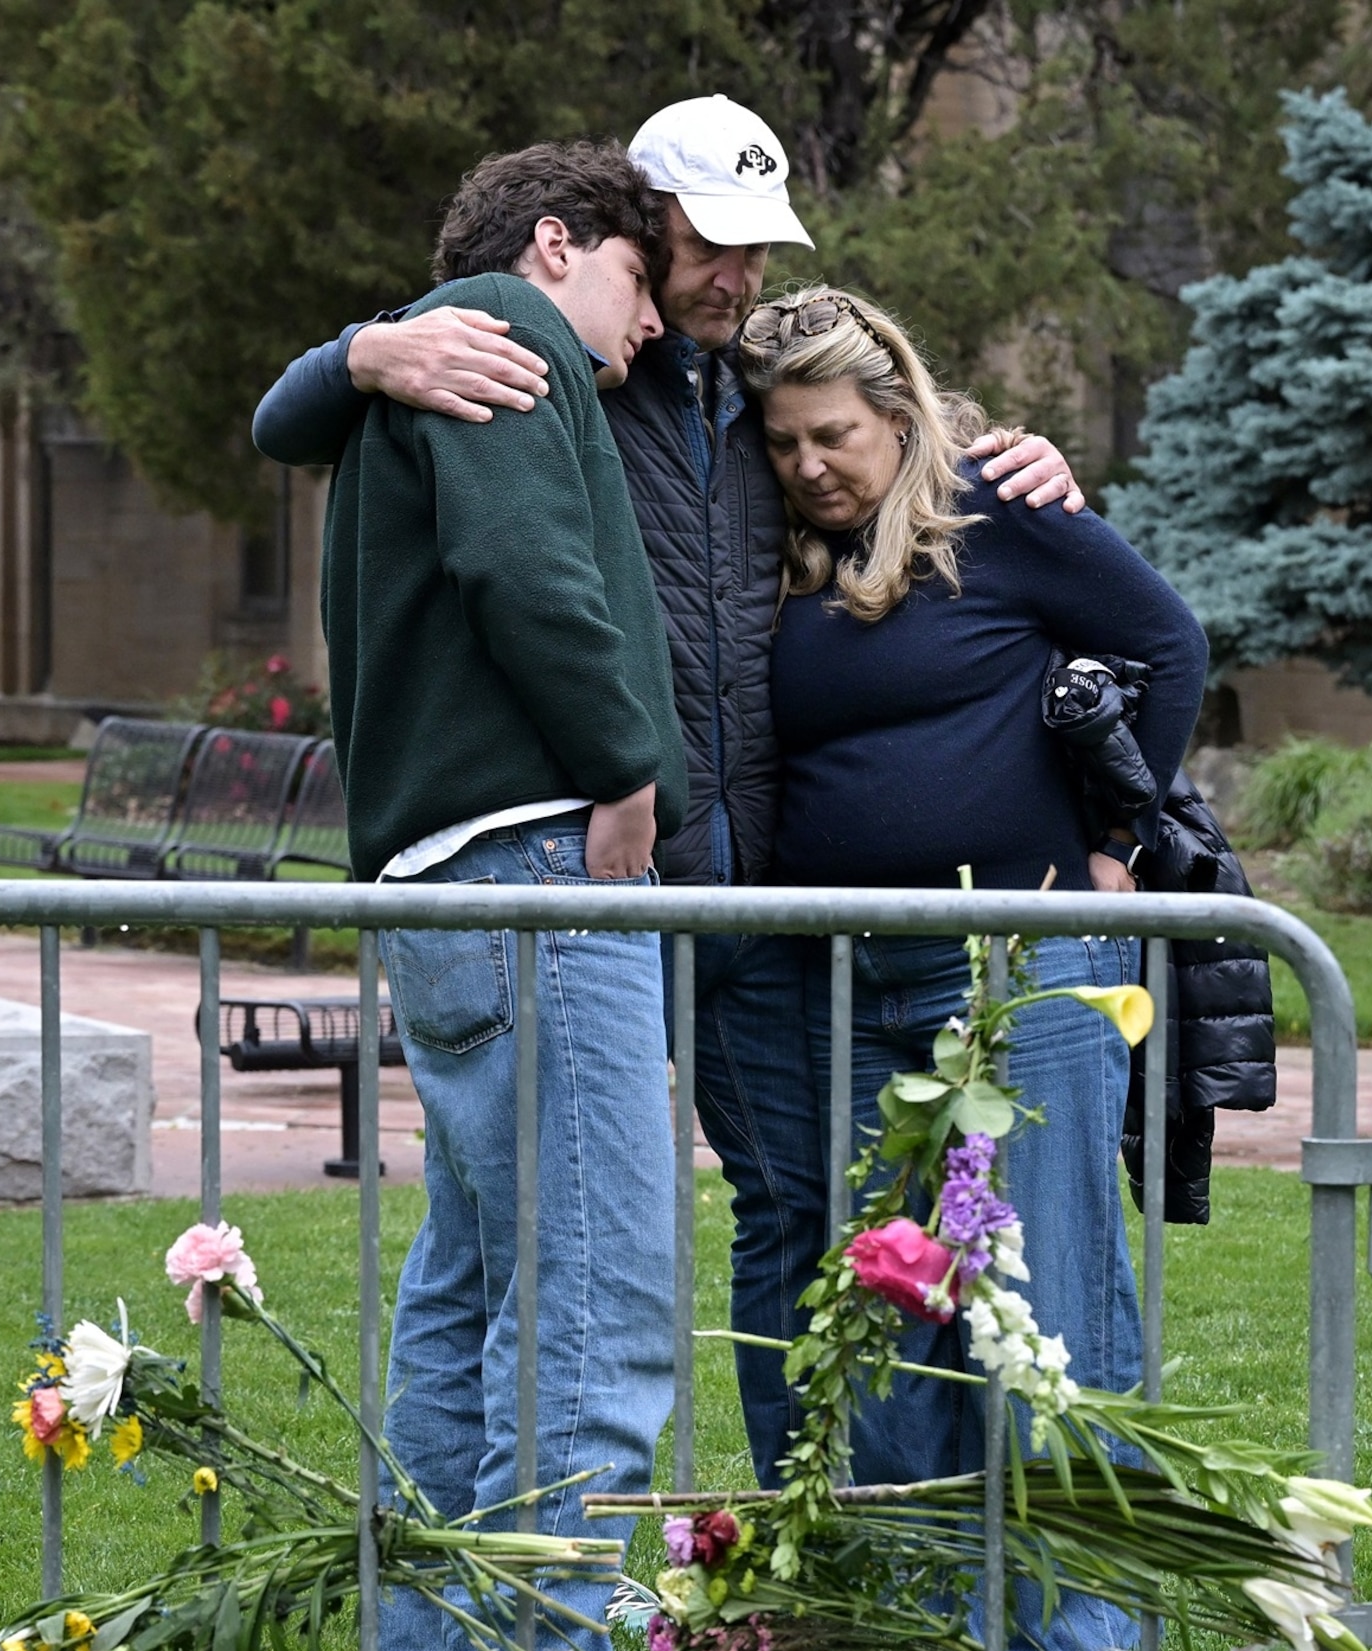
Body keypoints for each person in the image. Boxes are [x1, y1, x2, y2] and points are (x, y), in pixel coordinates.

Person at [255, 97, 1084, 1488]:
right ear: (630, 231)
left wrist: (1019, 455)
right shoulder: (559, 354)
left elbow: (884, 438)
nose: (737, 280)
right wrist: (362, 348)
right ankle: (593, 1609)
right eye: (706, 250)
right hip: (603, 862)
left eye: (762, 253)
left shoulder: (745, 376)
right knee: (601, 1253)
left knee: (810, 1210)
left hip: (755, 877)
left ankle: (831, 1528)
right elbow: (306, 425)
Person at [733, 285, 1207, 1651]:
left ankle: (1074, 1623)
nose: (809, 465)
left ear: (899, 415)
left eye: (834, 436)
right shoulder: (766, 551)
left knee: (1043, 1284)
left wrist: (1115, 834)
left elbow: (1169, 643)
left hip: (1020, 964)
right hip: (842, 977)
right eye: (783, 443)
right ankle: (912, 1607)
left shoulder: (1004, 512)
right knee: (880, 1286)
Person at [315, 140, 682, 1651]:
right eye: (640, 276)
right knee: (596, 1306)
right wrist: (625, 774)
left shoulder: (423, 357)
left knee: (475, 1298)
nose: (656, 320)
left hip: (444, 881)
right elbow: (527, 571)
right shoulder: (504, 336)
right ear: (558, 243)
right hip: (532, 867)